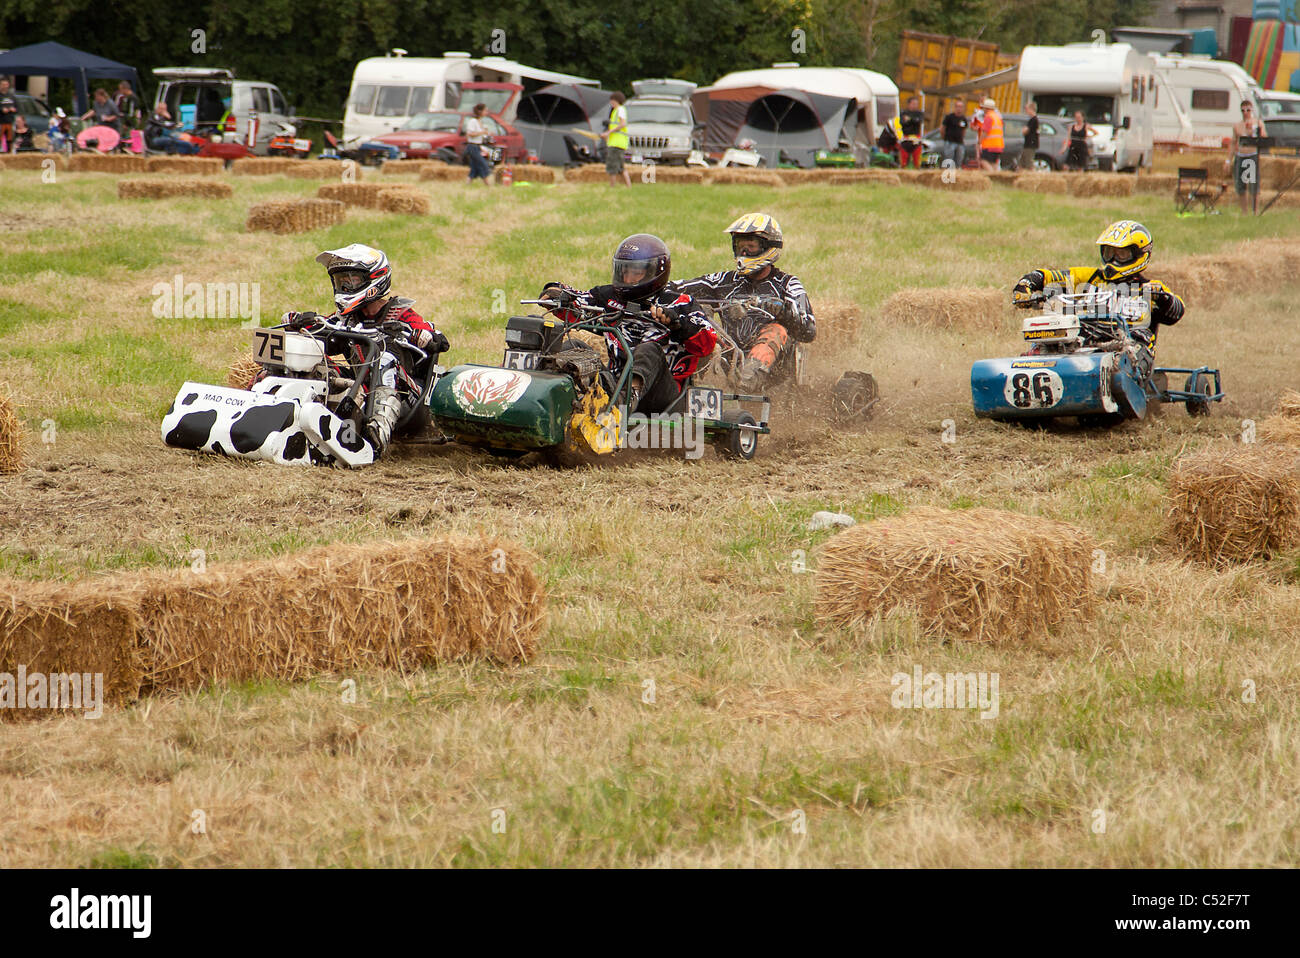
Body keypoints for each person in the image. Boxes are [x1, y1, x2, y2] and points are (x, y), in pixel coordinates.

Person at [284, 245, 449, 457]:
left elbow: (439, 340)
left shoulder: (400, 313)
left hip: (409, 398)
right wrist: (300, 322)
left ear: (374, 279)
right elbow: (325, 329)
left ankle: (375, 437)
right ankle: (297, 418)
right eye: (340, 280)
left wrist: (421, 335)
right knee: (319, 364)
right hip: (361, 389)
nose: (344, 285)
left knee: (386, 359)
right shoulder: (349, 317)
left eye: (351, 280)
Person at [541, 234, 716, 414]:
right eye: (624, 271)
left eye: (635, 272)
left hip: (662, 397)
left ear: (654, 272)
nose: (627, 279)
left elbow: (707, 343)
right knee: (573, 347)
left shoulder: (680, 303)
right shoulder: (608, 297)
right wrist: (555, 292)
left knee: (649, 350)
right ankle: (545, 400)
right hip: (613, 384)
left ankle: (623, 405)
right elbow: (577, 300)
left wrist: (677, 323)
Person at [667, 213, 815, 388]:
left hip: (777, 368)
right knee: (699, 315)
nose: (744, 253)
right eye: (740, 246)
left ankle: (748, 379)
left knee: (776, 330)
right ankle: (686, 379)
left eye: (750, 246)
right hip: (731, 355)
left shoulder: (787, 283)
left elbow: (809, 331)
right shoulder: (723, 281)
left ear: (769, 247)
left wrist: (782, 311)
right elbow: (675, 287)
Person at [1011, 220, 1184, 354]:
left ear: (1139, 254)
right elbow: (1049, 276)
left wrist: (1161, 297)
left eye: (1121, 254)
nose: (1113, 260)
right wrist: (1027, 284)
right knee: (1051, 337)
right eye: (1109, 253)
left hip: (1131, 354)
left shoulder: (1149, 287)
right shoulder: (1091, 277)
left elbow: (1177, 312)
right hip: (1086, 347)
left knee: (1130, 350)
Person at [1229, 100, 1267, 214]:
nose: (1245, 112)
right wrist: (1228, 160)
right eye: (1243, 110)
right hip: (1240, 156)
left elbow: (1264, 137)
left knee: (1254, 185)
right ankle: (1244, 211)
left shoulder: (1258, 123)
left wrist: (1253, 131)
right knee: (1240, 185)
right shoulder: (1237, 126)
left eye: (1248, 110)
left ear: (1252, 110)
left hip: (1252, 156)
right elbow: (1233, 143)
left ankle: (1255, 211)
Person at [462, 102, 493, 186]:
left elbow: (479, 135)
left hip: (477, 146)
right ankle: (489, 185)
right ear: (480, 111)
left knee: (475, 168)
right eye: (485, 110)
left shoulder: (480, 122)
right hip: (472, 147)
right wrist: (483, 132)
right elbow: (470, 134)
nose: (487, 112)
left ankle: (467, 184)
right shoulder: (473, 121)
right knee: (483, 165)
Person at [604, 91, 631, 187]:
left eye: (612, 100)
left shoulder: (620, 110)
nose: (611, 102)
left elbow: (622, 124)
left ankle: (612, 187)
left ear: (616, 100)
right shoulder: (615, 111)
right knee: (621, 167)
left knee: (613, 166)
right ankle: (629, 187)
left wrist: (608, 132)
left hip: (617, 143)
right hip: (615, 142)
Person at [971, 97, 1003, 172]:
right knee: (993, 163)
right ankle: (997, 176)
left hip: (990, 145)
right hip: (998, 145)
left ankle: (992, 175)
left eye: (984, 108)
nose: (983, 110)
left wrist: (979, 142)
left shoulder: (988, 117)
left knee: (983, 161)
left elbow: (985, 132)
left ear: (986, 108)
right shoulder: (997, 117)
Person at [898, 96, 925, 169]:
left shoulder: (919, 113)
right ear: (909, 104)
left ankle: (916, 169)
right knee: (904, 156)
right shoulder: (903, 113)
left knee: (916, 156)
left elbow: (919, 121)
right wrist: (912, 121)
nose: (915, 105)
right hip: (906, 136)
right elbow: (902, 123)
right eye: (913, 104)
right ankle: (903, 169)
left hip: (916, 137)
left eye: (916, 104)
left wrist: (909, 119)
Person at [939, 100, 968, 170]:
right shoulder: (949, 117)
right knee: (948, 160)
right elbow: (942, 129)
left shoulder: (963, 119)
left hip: (959, 142)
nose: (959, 108)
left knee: (959, 159)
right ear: (955, 107)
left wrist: (962, 138)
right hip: (950, 141)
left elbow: (964, 130)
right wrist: (944, 138)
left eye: (961, 107)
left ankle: (957, 172)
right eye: (958, 106)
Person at [1020, 101, 1040, 172]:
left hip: (1030, 144)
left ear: (1031, 109)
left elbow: (1025, 131)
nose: (1026, 111)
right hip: (1028, 144)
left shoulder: (1033, 120)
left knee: (1029, 163)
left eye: (1027, 109)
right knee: (1022, 163)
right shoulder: (1032, 119)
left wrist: (1023, 130)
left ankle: (1032, 176)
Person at [0, 79, 17, 153]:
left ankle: (9, 153)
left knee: (10, 139)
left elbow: (17, 107)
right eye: (3, 84)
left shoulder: (12, 96)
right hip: (1, 121)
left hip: (10, 121)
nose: (4, 86)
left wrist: (13, 109)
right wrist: (1, 109)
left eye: (6, 84)